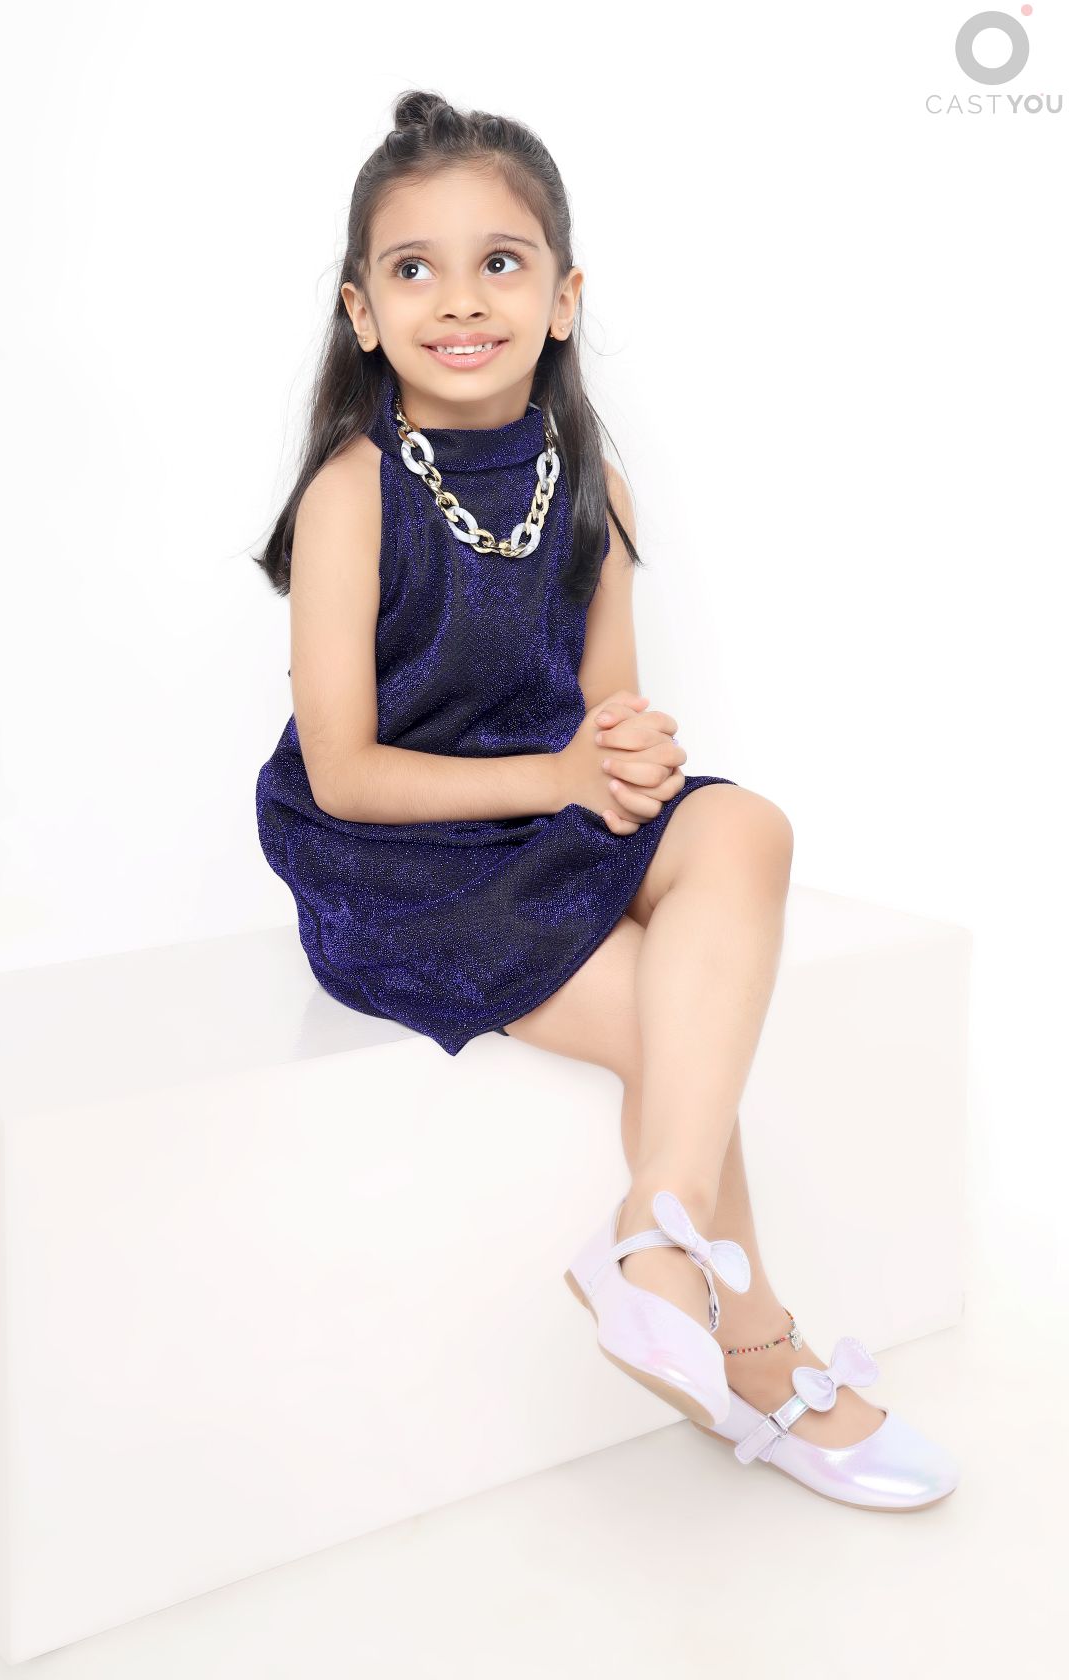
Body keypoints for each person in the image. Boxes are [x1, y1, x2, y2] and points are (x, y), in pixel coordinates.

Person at [252, 90, 959, 1510]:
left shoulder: (594, 487)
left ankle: (653, 1235)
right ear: (362, 312)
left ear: (565, 298)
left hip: (544, 811)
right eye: (415, 268)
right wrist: (567, 777)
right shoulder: (353, 490)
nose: (462, 299)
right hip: (396, 859)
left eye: (501, 262)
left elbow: (603, 718)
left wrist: (624, 759)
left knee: (746, 825)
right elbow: (344, 773)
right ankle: (759, 1348)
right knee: (669, 1017)